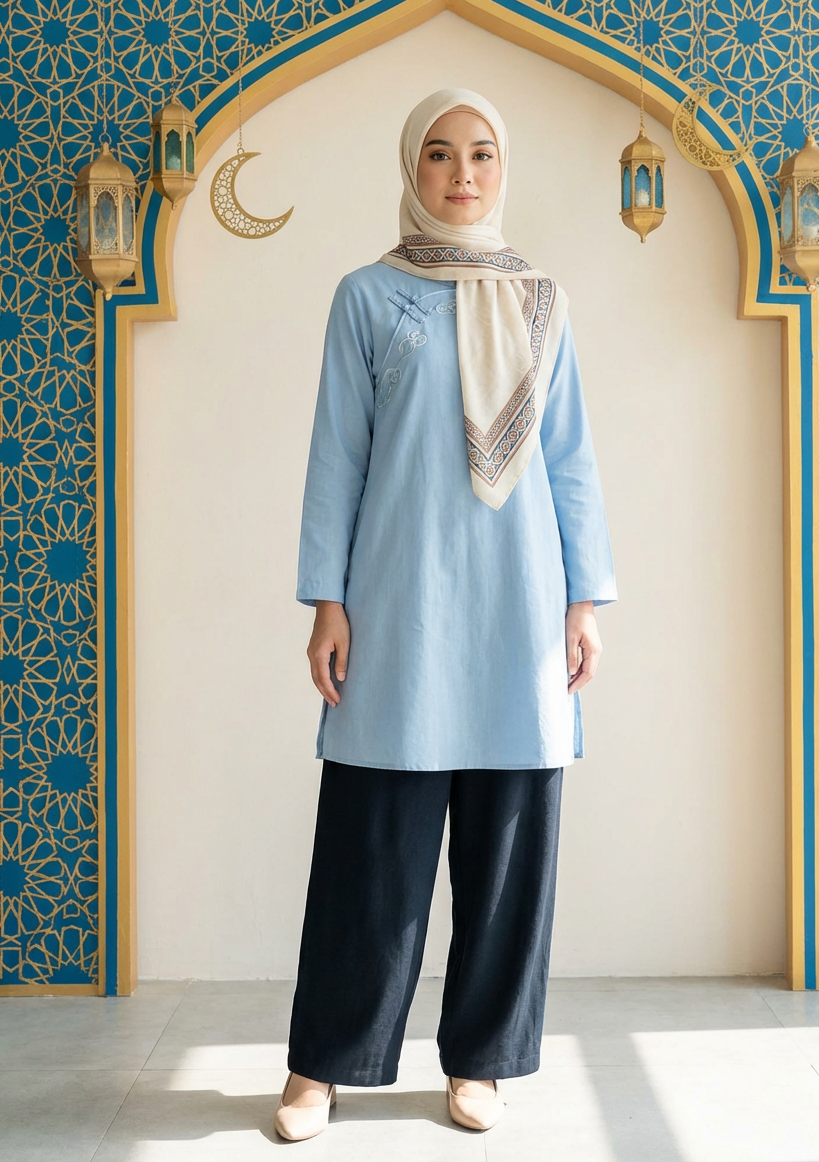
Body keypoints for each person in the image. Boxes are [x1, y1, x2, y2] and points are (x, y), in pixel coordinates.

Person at [274, 88, 616, 1143]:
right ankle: (323, 1066)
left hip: (520, 601)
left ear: (501, 170)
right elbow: (338, 454)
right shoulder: (367, 296)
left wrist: (584, 601)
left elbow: (567, 460)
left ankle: (481, 1061)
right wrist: (327, 599)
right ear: (411, 168)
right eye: (437, 153)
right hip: (399, 598)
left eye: (479, 154)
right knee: (370, 847)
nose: (460, 173)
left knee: (508, 852)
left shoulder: (542, 301)